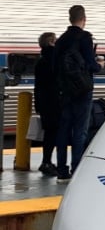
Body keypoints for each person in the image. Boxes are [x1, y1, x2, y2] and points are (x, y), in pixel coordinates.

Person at [54, 5, 101, 184]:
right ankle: (76, 169)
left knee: (63, 130)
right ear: (84, 18)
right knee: (80, 130)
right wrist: (99, 66)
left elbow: (54, 67)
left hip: (64, 91)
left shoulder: (61, 40)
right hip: (82, 90)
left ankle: (61, 171)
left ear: (69, 18)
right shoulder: (85, 37)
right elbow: (90, 63)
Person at [33, 31, 59, 176]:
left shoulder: (41, 60)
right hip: (54, 101)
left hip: (44, 102)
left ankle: (46, 161)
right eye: (55, 40)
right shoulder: (54, 59)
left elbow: (38, 86)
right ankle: (47, 162)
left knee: (49, 133)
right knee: (54, 133)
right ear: (51, 42)